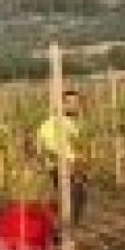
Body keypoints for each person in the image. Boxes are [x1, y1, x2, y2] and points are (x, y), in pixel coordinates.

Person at [39, 89, 86, 225]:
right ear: (62, 104)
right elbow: (48, 148)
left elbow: (77, 145)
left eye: (77, 102)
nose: (76, 105)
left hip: (71, 166)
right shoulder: (51, 124)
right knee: (71, 198)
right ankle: (64, 228)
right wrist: (67, 162)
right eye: (71, 102)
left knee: (75, 196)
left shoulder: (69, 123)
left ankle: (66, 226)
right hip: (62, 166)